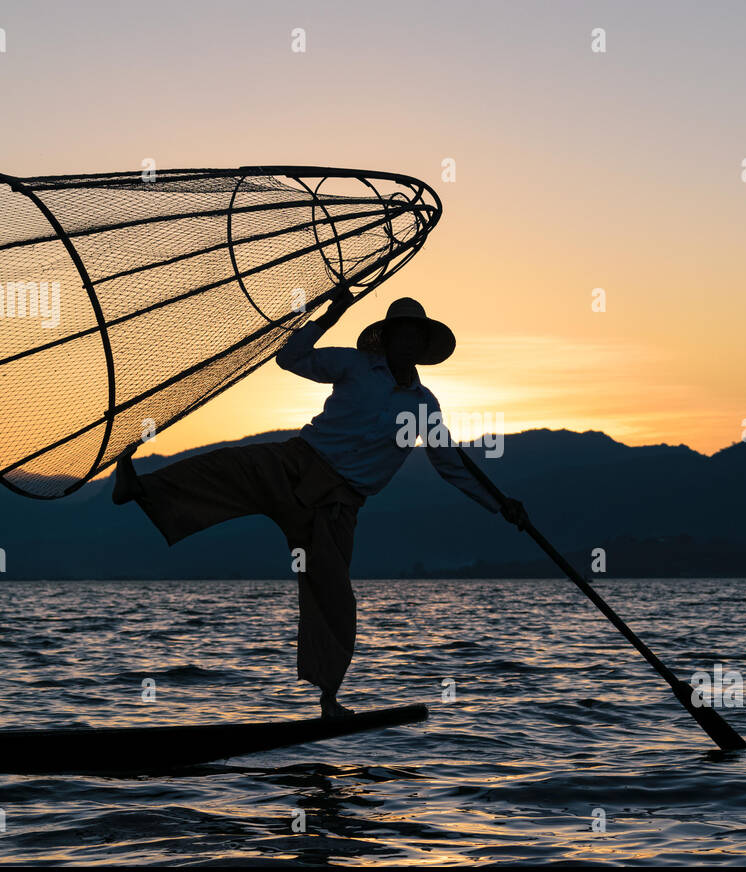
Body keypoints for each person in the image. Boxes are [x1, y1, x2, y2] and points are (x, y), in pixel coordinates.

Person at [111, 290, 527, 717]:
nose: (406, 342)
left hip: (337, 505)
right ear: (386, 338)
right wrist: (329, 316)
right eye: (399, 333)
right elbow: (290, 357)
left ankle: (328, 698)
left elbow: (452, 464)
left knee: (334, 598)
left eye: (413, 336)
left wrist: (500, 503)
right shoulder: (354, 364)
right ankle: (141, 489)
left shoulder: (424, 405)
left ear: (422, 346)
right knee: (229, 468)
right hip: (297, 464)